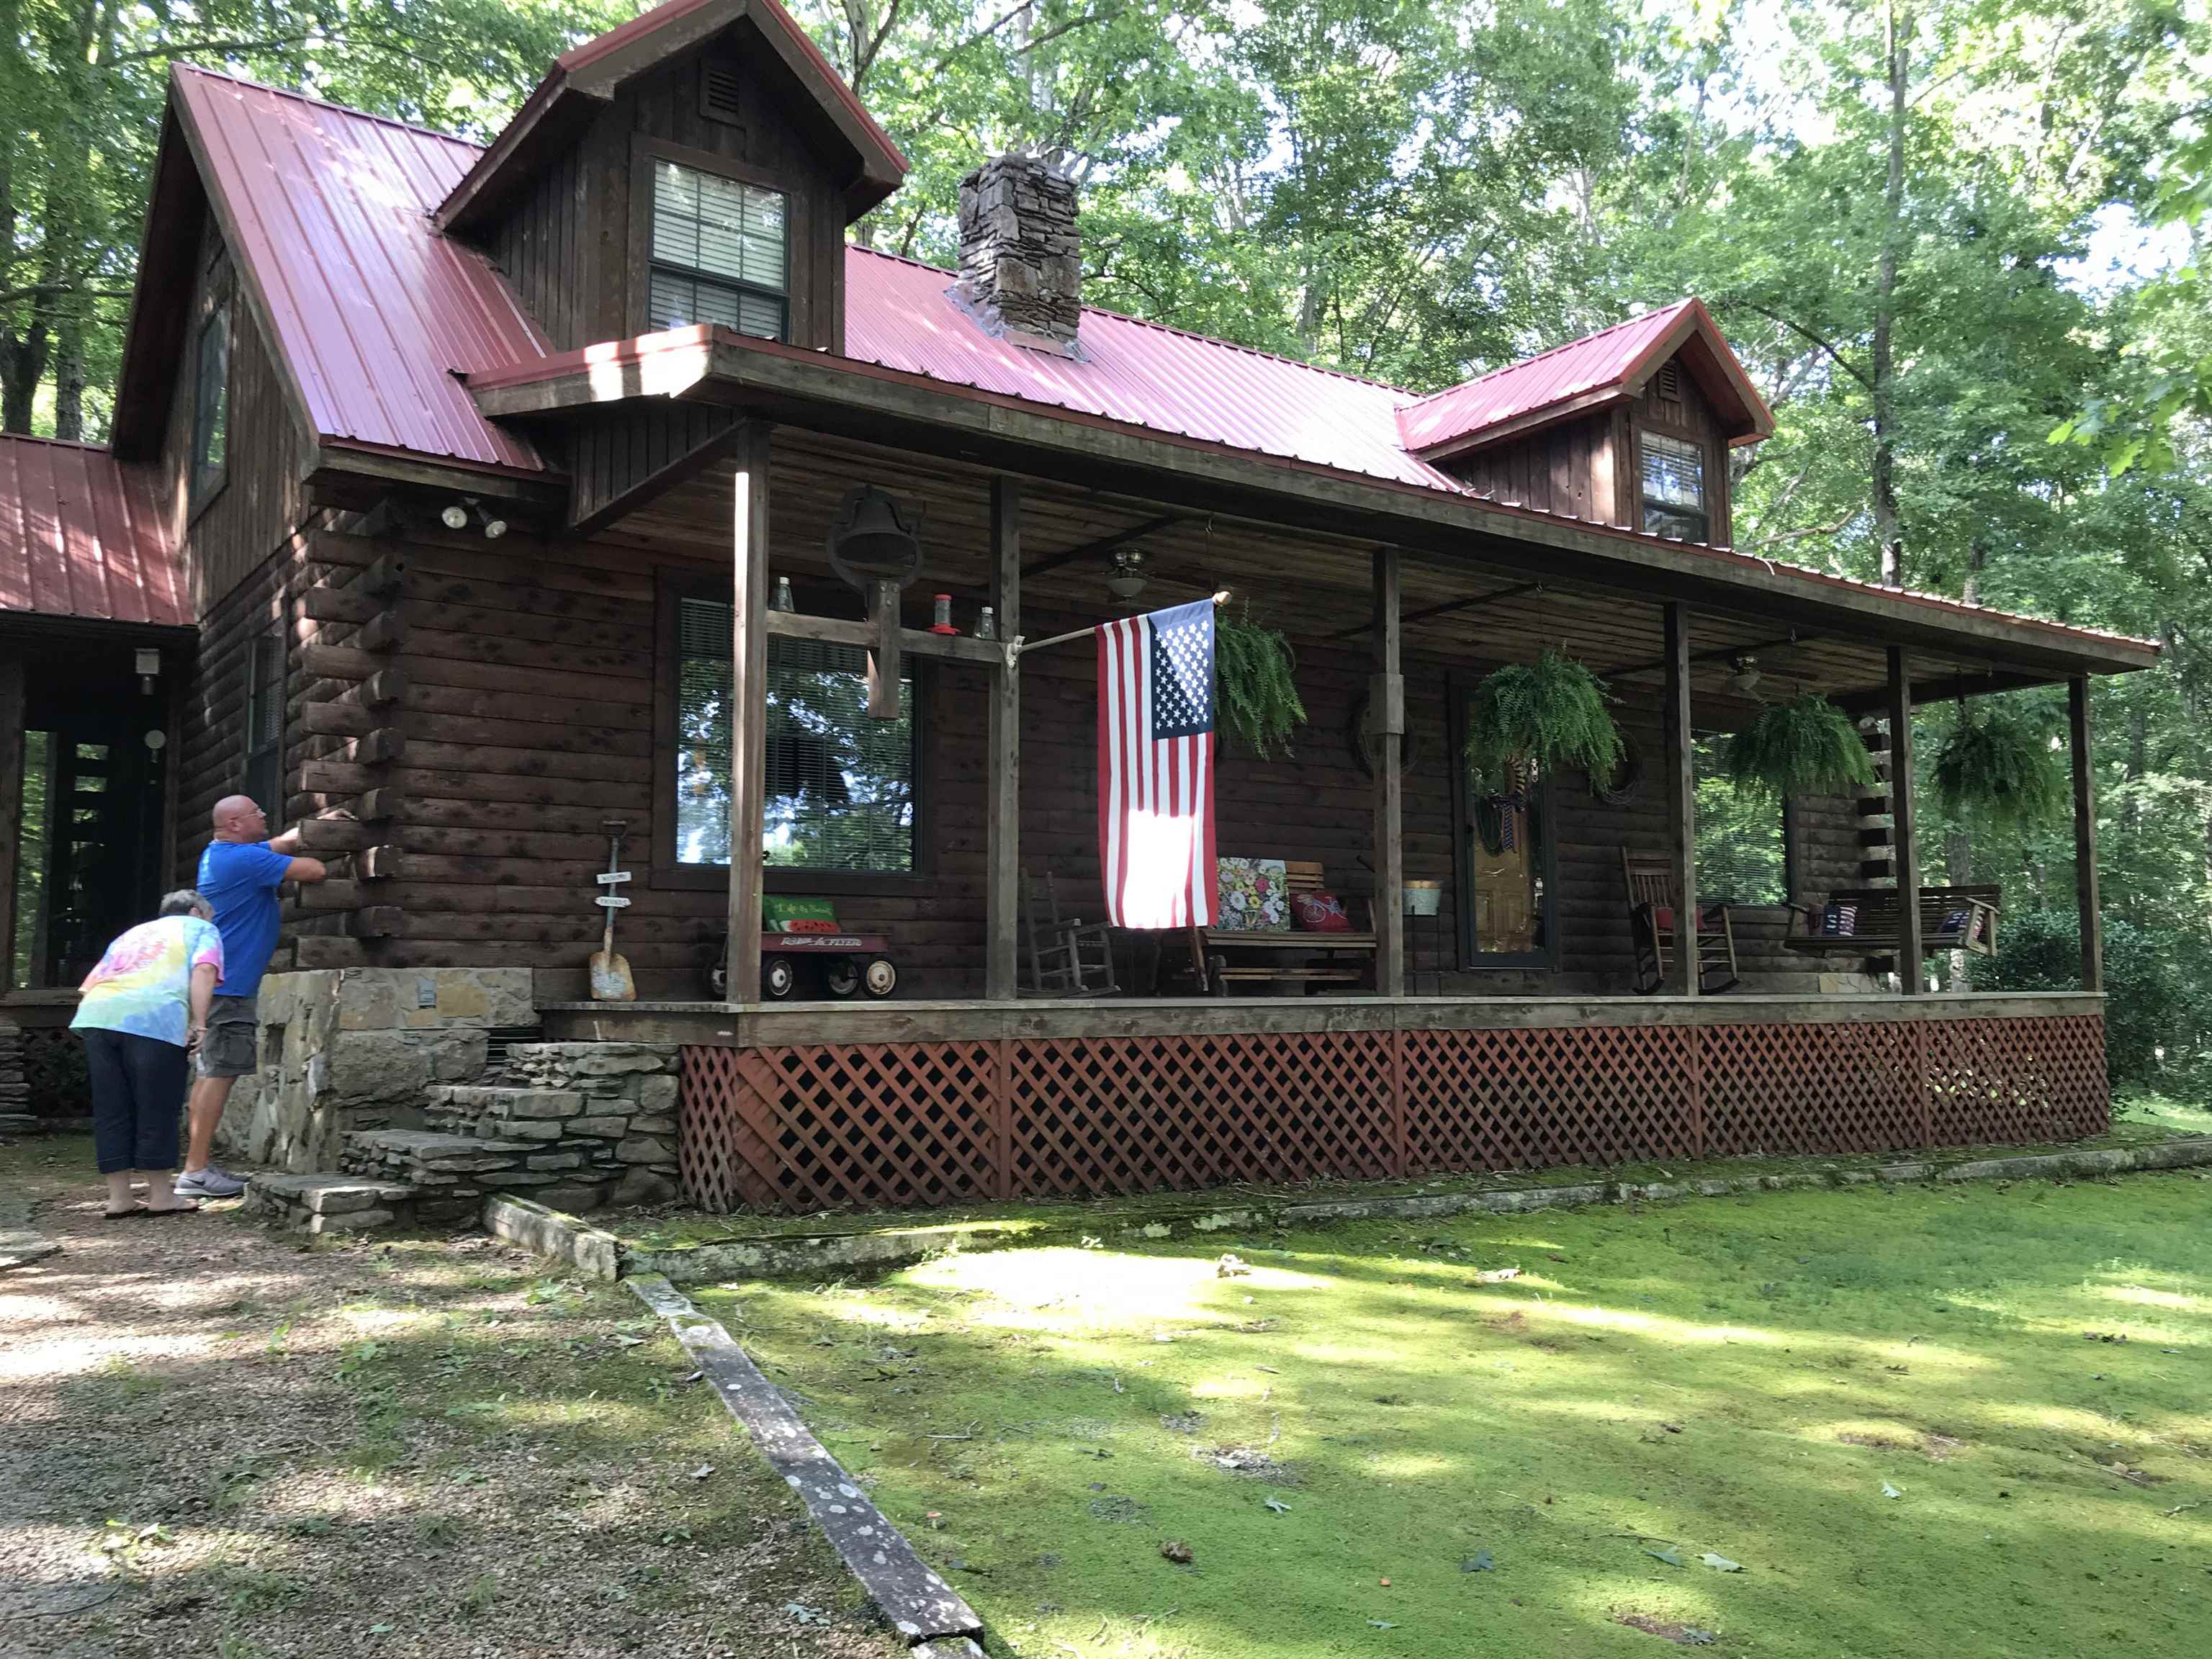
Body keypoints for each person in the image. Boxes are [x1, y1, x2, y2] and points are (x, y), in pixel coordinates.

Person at [178, 796, 330, 1198]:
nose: (265, 814)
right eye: (256, 812)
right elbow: (314, 870)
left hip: (221, 986)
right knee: (218, 1074)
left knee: (212, 1073)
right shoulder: (242, 862)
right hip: (228, 988)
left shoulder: (226, 854)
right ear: (233, 823)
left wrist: (322, 822)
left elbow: (282, 843)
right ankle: (195, 1172)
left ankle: (196, 1167)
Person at [71, 891, 225, 1218]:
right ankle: (160, 1196)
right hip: (154, 1019)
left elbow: (88, 985)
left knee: (112, 1108)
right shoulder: (201, 930)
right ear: (196, 912)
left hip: (98, 1016)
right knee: (157, 1105)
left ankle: (119, 1199)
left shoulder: (132, 934)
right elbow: (204, 971)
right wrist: (199, 1024)